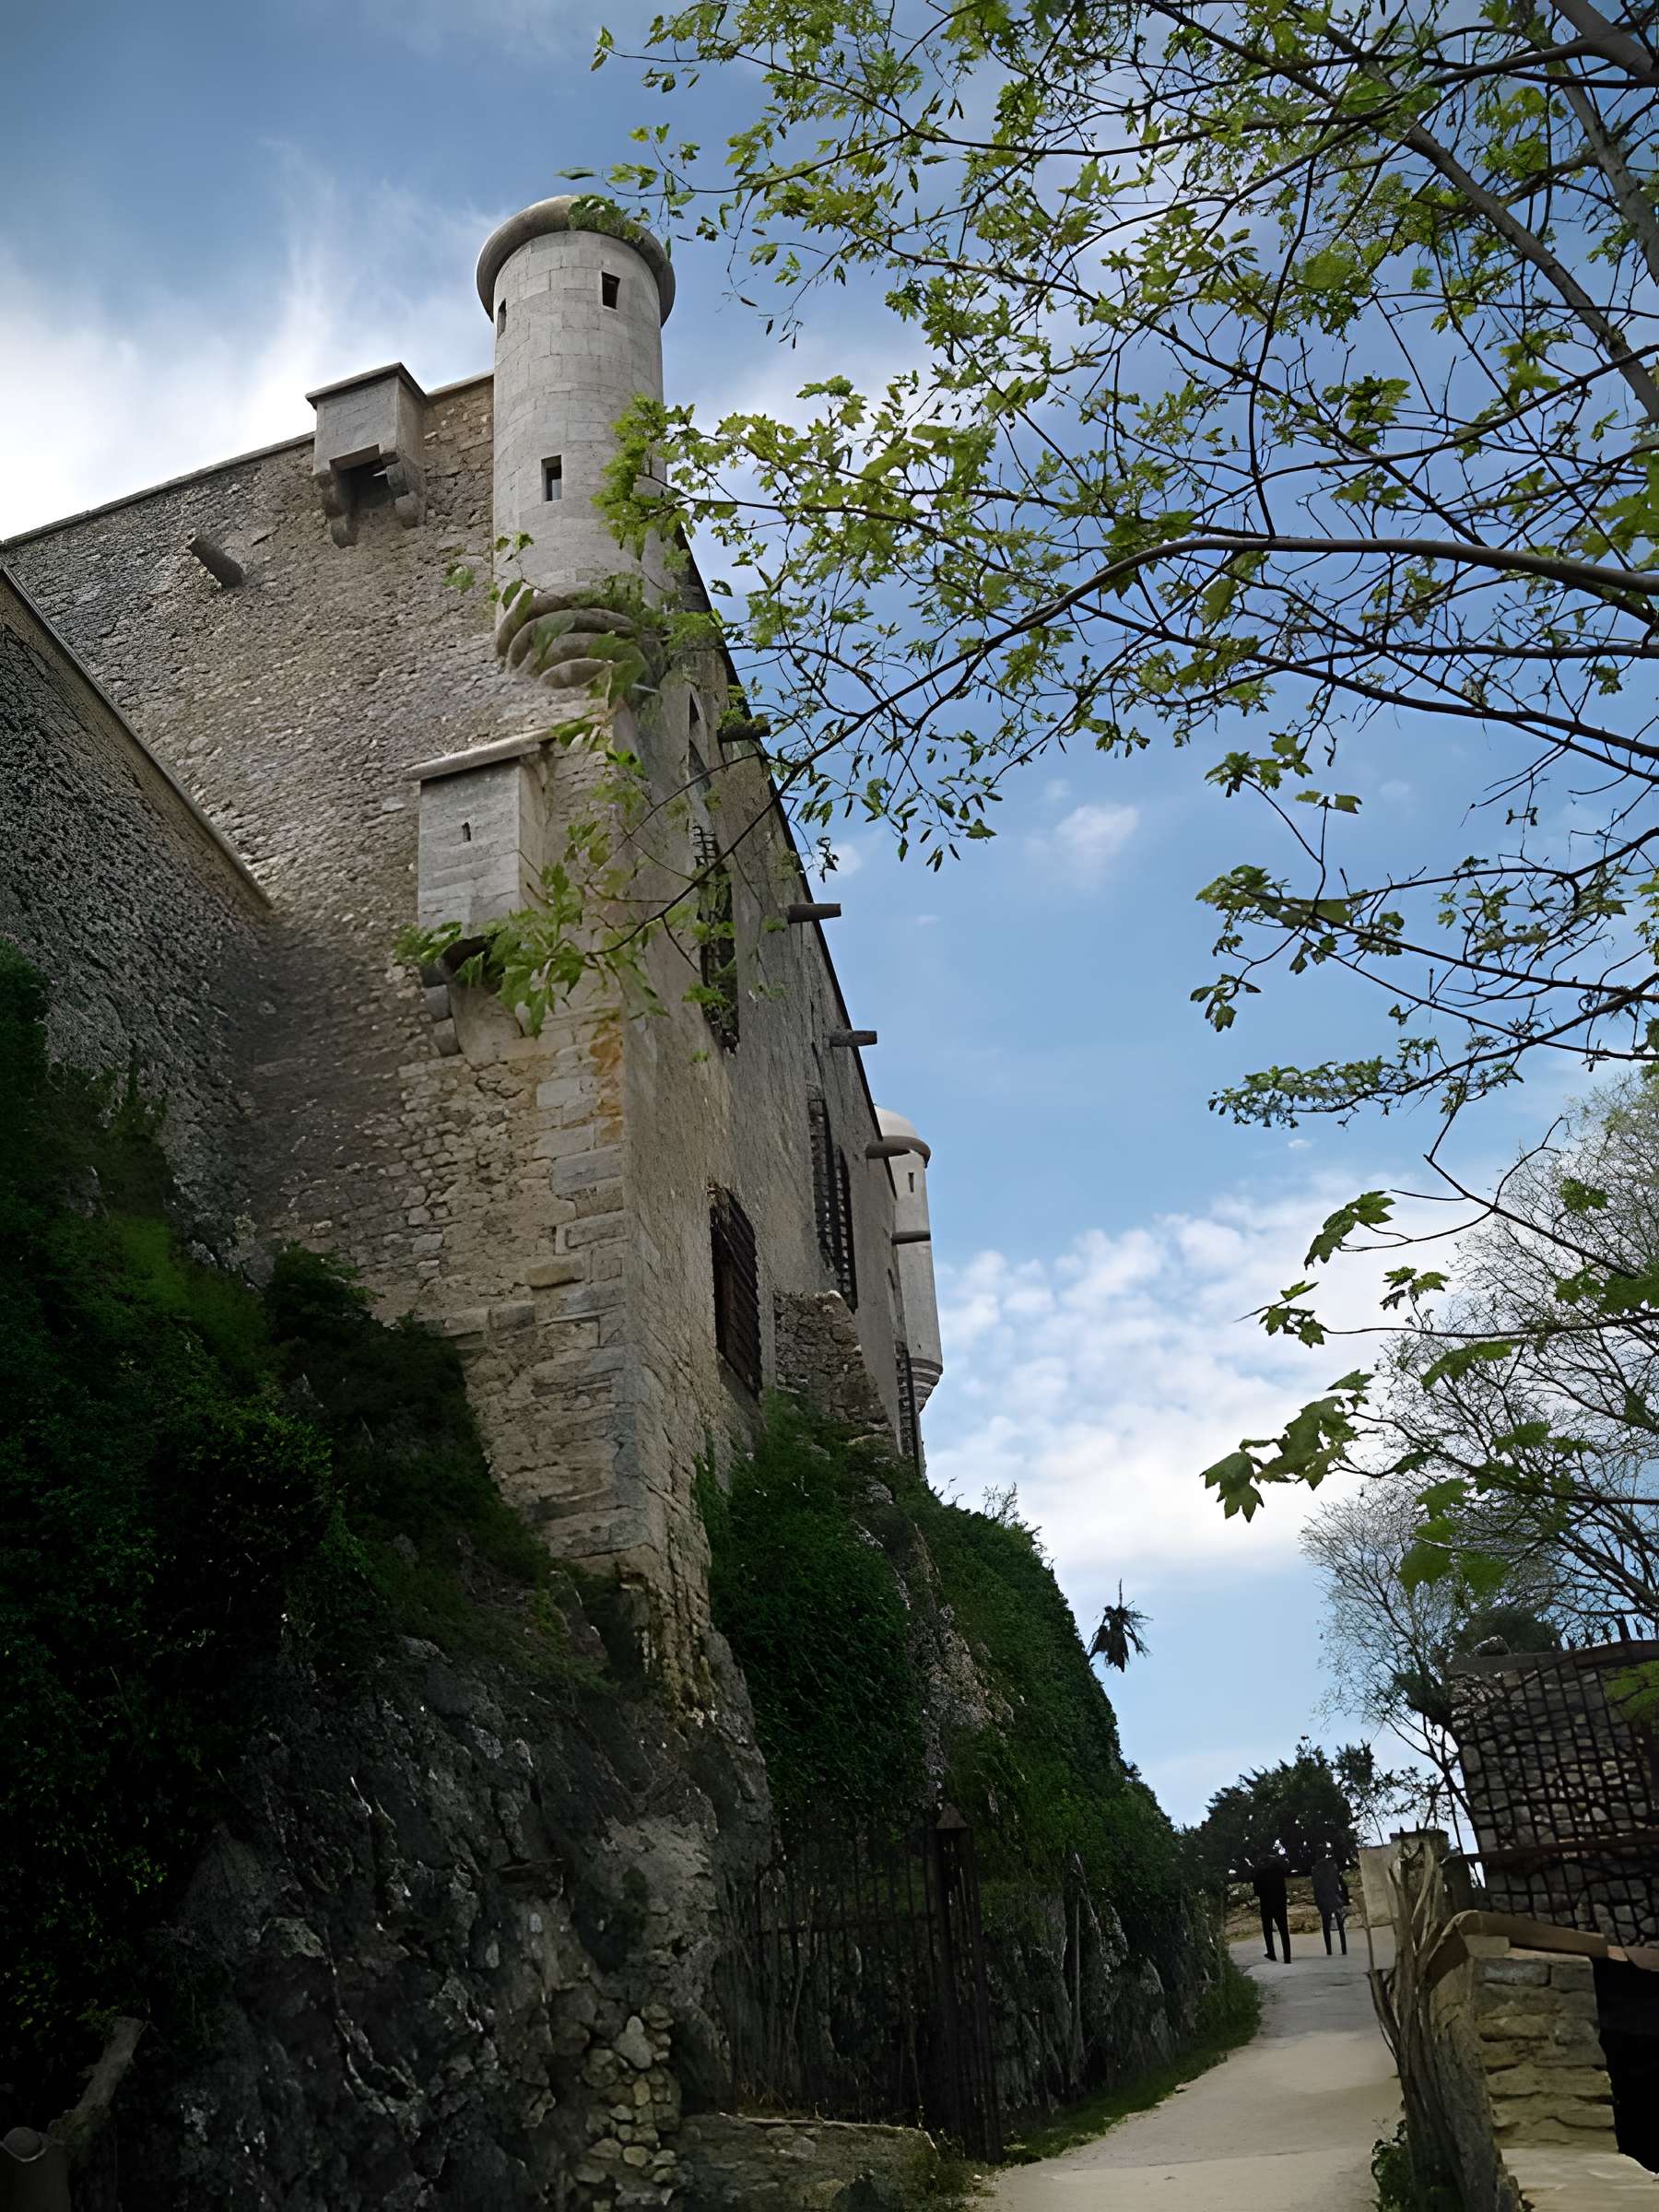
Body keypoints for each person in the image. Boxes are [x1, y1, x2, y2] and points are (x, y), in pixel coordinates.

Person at [1252, 1852, 1291, 1963]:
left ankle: (1271, 1953)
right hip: (1280, 1902)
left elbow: (1257, 1891)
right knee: (1283, 1929)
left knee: (1267, 1929)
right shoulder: (1279, 1869)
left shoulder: (1259, 1871)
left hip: (1266, 1903)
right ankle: (1287, 1957)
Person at [1312, 1850, 1349, 1956]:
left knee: (1326, 1926)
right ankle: (1343, 1949)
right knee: (1340, 1925)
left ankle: (1329, 1950)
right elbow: (1340, 1883)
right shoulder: (1332, 1867)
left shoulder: (1315, 1869)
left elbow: (1316, 1889)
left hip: (1323, 1901)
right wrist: (1343, 1898)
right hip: (1335, 1898)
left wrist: (1318, 1902)